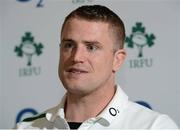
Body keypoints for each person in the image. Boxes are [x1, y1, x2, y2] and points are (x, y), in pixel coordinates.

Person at [15, 5, 179, 129]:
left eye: (91, 47)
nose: (77, 57)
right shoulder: (26, 127)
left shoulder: (154, 126)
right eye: (69, 45)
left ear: (117, 60)